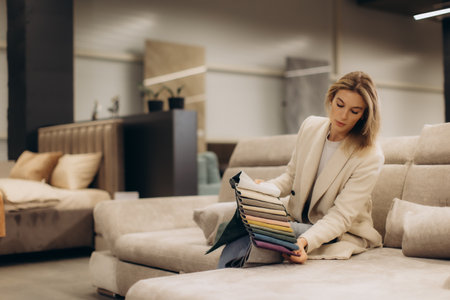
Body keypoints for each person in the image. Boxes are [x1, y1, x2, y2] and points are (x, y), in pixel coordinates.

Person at [264, 70, 384, 264]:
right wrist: (262, 190)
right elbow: (290, 177)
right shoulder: (310, 126)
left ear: (363, 115)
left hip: (338, 231)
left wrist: (304, 242)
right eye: (340, 104)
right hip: (299, 219)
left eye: (354, 111)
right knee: (244, 217)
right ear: (331, 98)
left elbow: (340, 217)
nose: (343, 115)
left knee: (260, 228)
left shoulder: (370, 156)